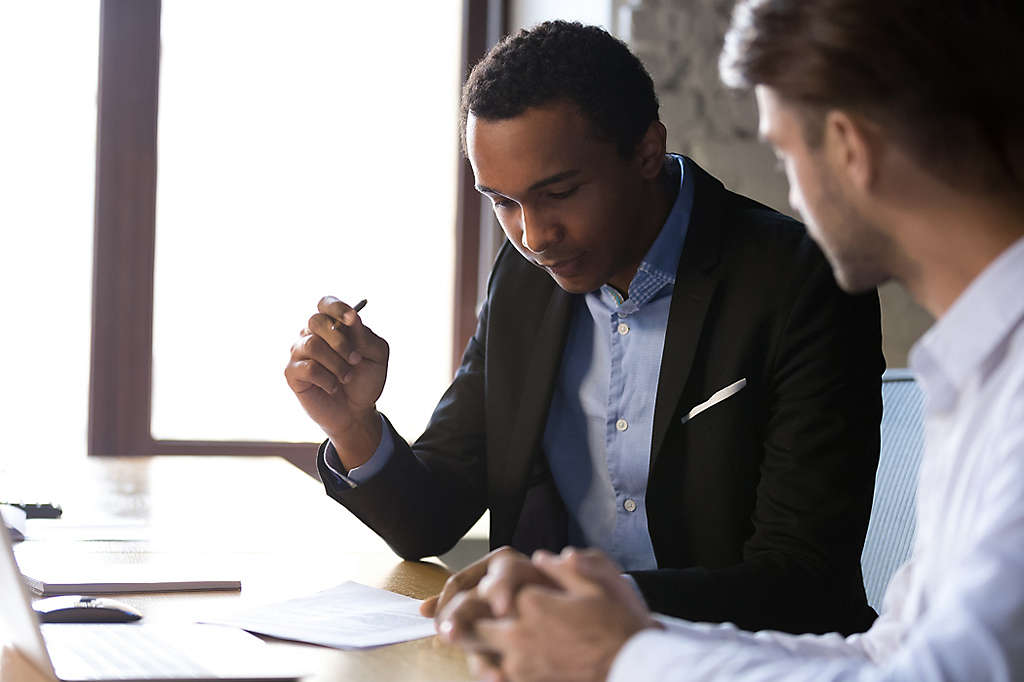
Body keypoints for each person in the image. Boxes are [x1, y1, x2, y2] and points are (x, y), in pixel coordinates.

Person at [436, 1, 1024, 680]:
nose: (793, 198)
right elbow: (888, 654)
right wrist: (605, 629)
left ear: (849, 148)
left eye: (781, 149)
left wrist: (622, 653)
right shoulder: (978, 373)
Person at [284, 20, 883, 636]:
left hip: (744, 662)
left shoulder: (799, 280)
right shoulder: (522, 280)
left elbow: (804, 578)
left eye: (560, 193)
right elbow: (429, 521)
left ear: (648, 151)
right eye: (503, 202)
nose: (534, 236)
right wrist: (352, 426)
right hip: (559, 658)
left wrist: (577, 597)